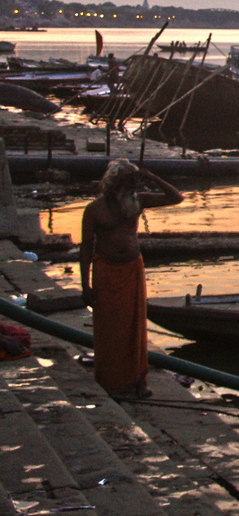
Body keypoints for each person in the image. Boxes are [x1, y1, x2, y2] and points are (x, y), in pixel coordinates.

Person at [79, 160, 183, 398]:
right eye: (129, 181)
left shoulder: (138, 200)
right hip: (106, 270)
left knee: (135, 325)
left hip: (132, 269)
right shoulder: (95, 209)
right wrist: (86, 285)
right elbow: (85, 248)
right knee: (109, 327)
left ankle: (138, 380)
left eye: (136, 182)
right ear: (115, 182)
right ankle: (113, 382)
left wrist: (153, 177)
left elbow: (176, 198)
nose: (133, 186)